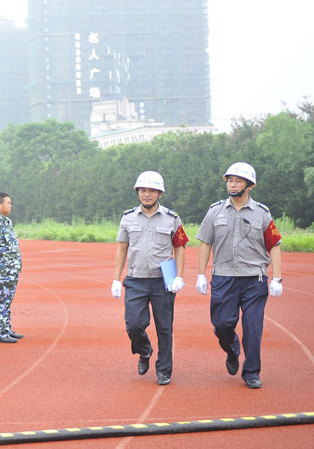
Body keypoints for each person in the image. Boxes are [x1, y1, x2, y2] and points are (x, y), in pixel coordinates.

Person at [195, 162, 282, 389]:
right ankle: (232, 349)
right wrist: (201, 274)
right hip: (224, 278)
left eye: (238, 181)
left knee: (253, 328)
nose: (232, 185)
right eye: (230, 181)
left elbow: (274, 245)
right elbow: (205, 243)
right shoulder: (215, 211)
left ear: (250, 185)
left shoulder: (262, 213)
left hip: (255, 279)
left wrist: (277, 277)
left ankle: (252, 372)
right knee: (222, 324)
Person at [111, 171, 188, 386]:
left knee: (164, 327)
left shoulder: (172, 218)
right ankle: (144, 350)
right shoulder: (128, 217)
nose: (147, 194)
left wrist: (179, 276)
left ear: (160, 193)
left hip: (163, 280)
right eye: (143, 190)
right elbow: (122, 249)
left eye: (152, 191)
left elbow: (180, 247)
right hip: (135, 279)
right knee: (134, 324)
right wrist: (116, 279)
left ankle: (164, 369)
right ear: (138, 192)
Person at [0, 192, 24, 344]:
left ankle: (6, 328)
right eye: (8, 203)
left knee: (7, 299)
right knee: (1, 299)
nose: (10, 206)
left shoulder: (6, 221)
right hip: (2, 269)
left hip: (11, 268)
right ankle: (0, 332)